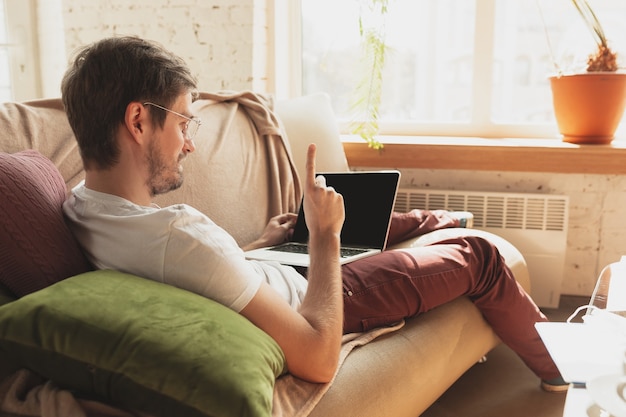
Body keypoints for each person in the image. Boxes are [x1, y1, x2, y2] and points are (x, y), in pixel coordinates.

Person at [61, 36, 566, 391]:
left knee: (343, 219)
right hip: (314, 295)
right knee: (478, 255)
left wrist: (258, 244)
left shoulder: (81, 204)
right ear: (138, 120)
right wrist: (323, 240)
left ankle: (436, 219)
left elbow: (185, 269)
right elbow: (318, 357)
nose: (190, 144)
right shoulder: (179, 234)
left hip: (265, 266)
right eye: (184, 124)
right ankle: (565, 370)